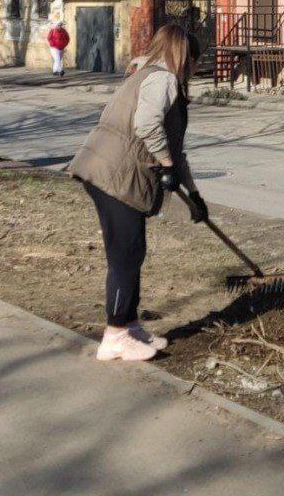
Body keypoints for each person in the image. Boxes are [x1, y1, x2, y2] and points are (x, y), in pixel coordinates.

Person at [66, 24, 208, 361]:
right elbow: (147, 125)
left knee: (133, 250)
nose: (196, 67)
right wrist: (167, 166)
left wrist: (194, 193)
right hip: (114, 175)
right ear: (183, 56)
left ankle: (128, 325)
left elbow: (175, 149)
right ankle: (115, 335)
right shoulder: (163, 79)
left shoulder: (148, 75)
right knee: (125, 254)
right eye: (195, 60)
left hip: (111, 172)